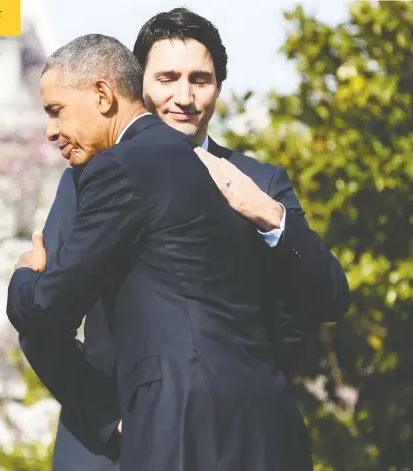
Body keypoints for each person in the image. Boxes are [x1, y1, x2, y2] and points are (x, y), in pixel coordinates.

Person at [18, 9, 351, 471]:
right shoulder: (88, 177)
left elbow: (325, 300)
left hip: (241, 437)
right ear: (134, 86)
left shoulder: (259, 181)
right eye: (167, 78)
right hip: (114, 442)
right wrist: (108, 419)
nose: (185, 97)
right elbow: (43, 317)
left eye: (201, 79)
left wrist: (270, 216)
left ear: (218, 87)